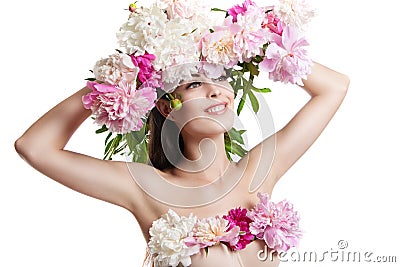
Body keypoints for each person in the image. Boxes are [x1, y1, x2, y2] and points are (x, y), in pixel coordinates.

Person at [14, 1, 350, 266]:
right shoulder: (145, 187)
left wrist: (253, 41)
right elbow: (35, 147)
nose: (217, 91)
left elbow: (334, 88)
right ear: (165, 107)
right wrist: (125, 75)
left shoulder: (258, 173)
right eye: (194, 83)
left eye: (221, 79)